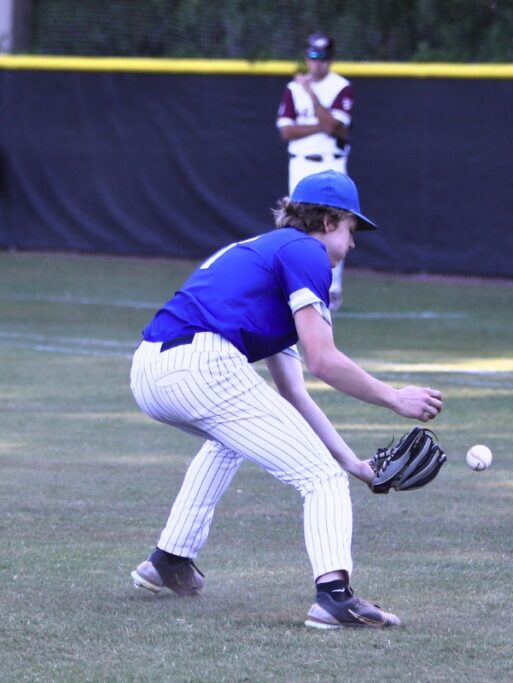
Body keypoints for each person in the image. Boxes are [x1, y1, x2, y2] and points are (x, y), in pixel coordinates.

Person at [128, 170, 443, 629]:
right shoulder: (304, 252)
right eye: (352, 229)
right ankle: (335, 598)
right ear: (330, 220)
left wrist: (354, 464)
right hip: (202, 364)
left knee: (229, 440)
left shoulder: (271, 256)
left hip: (150, 370)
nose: (352, 244)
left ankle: (170, 559)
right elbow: (324, 360)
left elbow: (294, 393)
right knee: (319, 479)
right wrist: (395, 398)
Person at [276, 31, 354, 310]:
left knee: (336, 221)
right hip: (301, 162)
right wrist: (322, 124)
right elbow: (286, 131)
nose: (317, 63)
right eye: (312, 56)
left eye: (322, 57)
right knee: (298, 222)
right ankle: (297, 283)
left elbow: (334, 126)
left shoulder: (340, 86)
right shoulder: (292, 88)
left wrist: (312, 96)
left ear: (331, 59)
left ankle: (333, 287)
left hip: (331, 161)